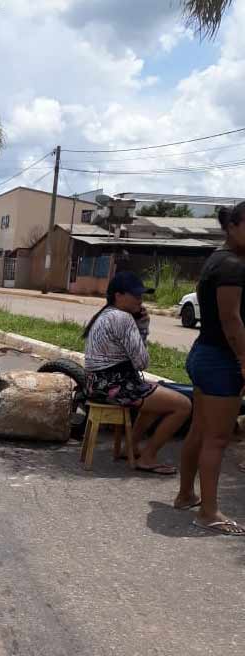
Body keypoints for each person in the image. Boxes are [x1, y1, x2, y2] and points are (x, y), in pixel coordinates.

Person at [177, 201, 245, 534]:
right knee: (217, 439)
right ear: (232, 226)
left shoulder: (219, 259)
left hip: (204, 354)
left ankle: (185, 494)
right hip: (221, 359)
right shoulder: (232, 266)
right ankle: (208, 512)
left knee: (201, 431)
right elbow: (232, 320)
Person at [82, 271, 191, 474]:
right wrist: (143, 326)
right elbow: (142, 362)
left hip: (95, 384)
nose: (140, 299)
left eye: (142, 295)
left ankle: (130, 447)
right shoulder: (123, 318)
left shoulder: (105, 314)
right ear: (119, 295)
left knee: (154, 393)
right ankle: (148, 457)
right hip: (115, 386)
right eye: (135, 295)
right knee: (183, 405)